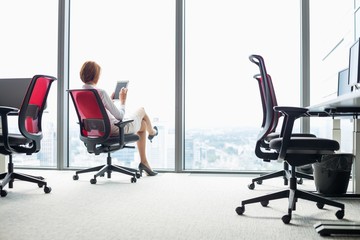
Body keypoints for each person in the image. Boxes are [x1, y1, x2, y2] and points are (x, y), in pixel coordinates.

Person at [79, 61, 158, 176]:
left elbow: (94, 111)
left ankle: (144, 162)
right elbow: (120, 116)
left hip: (96, 131)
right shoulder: (100, 92)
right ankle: (153, 132)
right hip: (115, 129)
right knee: (142, 110)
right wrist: (123, 100)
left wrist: (109, 101)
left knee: (143, 125)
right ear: (96, 76)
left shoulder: (81, 94)